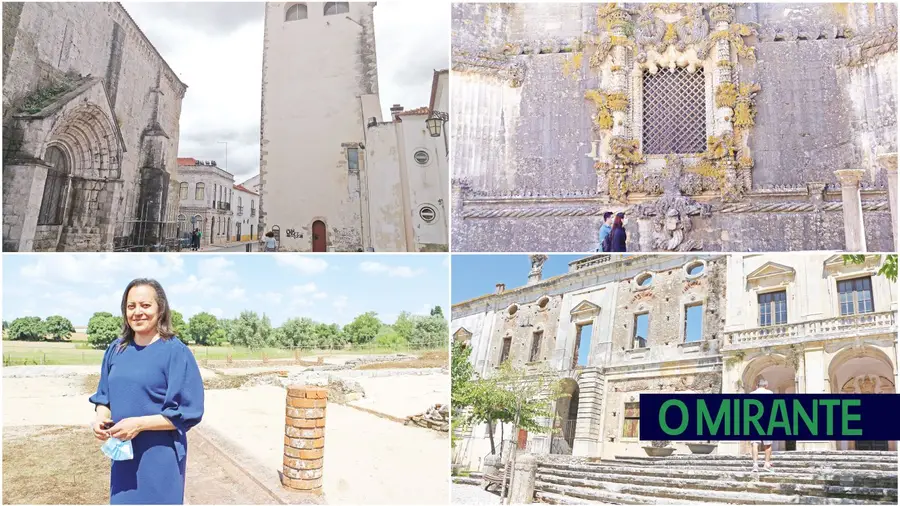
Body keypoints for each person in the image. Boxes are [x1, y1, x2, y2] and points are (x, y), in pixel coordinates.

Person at [89, 279, 204, 504]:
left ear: (160, 308)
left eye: (145, 305)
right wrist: (100, 420)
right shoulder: (116, 349)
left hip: (160, 458)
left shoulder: (176, 353)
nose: (137, 312)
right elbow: (104, 398)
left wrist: (139, 424)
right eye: (131, 306)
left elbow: (189, 413)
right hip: (123, 457)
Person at [751, 377, 774, 473]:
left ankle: (755, 465)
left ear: (757, 386)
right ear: (766, 385)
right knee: (768, 444)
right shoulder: (770, 393)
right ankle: (766, 464)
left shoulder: (752, 394)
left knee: (755, 443)